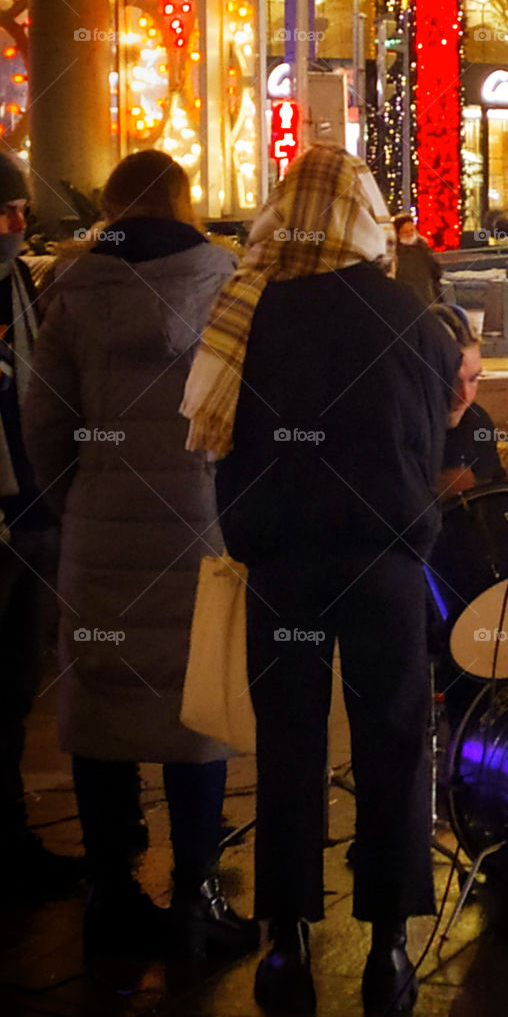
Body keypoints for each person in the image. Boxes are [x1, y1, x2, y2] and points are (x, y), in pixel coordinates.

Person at [183, 145, 461, 1016]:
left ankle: (286, 947)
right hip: (383, 568)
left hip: (284, 567)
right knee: (392, 745)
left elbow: (222, 442)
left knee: (290, 749)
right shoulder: (410, 317)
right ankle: (386, 950)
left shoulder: (251, 309)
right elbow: (429, 450)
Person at [23, 150, 257, 960]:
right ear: (185, 201)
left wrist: (78, 497)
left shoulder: (74, 290)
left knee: (99, 702)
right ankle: (194, 898)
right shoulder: (229, 280)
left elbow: (45, 421)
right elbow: (250, 410)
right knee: (200, 704)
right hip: (200, 521)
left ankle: (111, 893)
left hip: (100, 522)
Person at [0, 150, 84, 905]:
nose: (19, 225)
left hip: (30, 513)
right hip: (14, 511)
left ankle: (13, 836)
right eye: (6, 212)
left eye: (22, 210)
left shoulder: (21, 285)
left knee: (17, 683)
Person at [432, 304, 504, 498]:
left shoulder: (477, 422)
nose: (464, 396)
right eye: (451, 382)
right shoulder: (396, 429)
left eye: (473, 379)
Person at [393, 214, 442, 306]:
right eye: (405, 232)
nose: (410, 234)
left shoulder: (424, 249)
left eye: (412, 230)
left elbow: (436, 272)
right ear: (398, 234)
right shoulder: (395, 254)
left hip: (427, 298)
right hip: (405, 301)